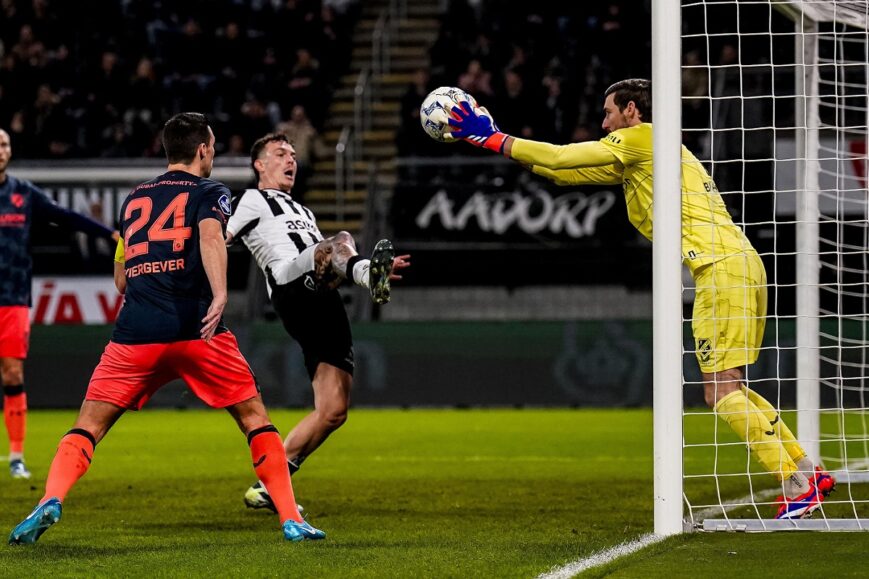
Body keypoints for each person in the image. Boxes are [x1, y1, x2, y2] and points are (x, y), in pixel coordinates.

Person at [447, 78, 836, 520]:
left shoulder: (640, 138)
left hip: (719, 269)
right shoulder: (653, 153)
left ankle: (795, 481)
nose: (603, 123)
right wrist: (496, 140)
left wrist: (493, 136)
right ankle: (806, 469)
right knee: (734, 385)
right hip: (741, 262)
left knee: (720, 393)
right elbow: (559, 170)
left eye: (608, 112)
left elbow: (560, 154)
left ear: (632, 110)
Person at [8, 113, 324, 545]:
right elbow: (211, 237)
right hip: (199, 330)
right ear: (202, 150)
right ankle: (290, 518)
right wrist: (219, 294)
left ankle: (50, 499)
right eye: (211, 146)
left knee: (88, 427)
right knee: (255, 420)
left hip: (135, 335)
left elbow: (121, 280)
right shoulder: (210, 190)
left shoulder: (134, 199)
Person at [225, 132, 410, 512]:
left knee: (333, 411)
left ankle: (267, 486)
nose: (290, 160)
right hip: (290, 285)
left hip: (321, 296)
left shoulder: (303, 210)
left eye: (293, 154)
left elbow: (328, 258)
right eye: (280, 154)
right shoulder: (251, 199)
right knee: (338, 239)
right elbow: (220, 236)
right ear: (259, 164)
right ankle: (365, 276)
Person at [0, 128, 117, 480]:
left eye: (4, 144)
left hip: (13, 297)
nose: (0, 150)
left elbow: (65, 217)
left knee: (12, 373)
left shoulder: (23, 193)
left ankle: (16, 455)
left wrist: (108, 233)